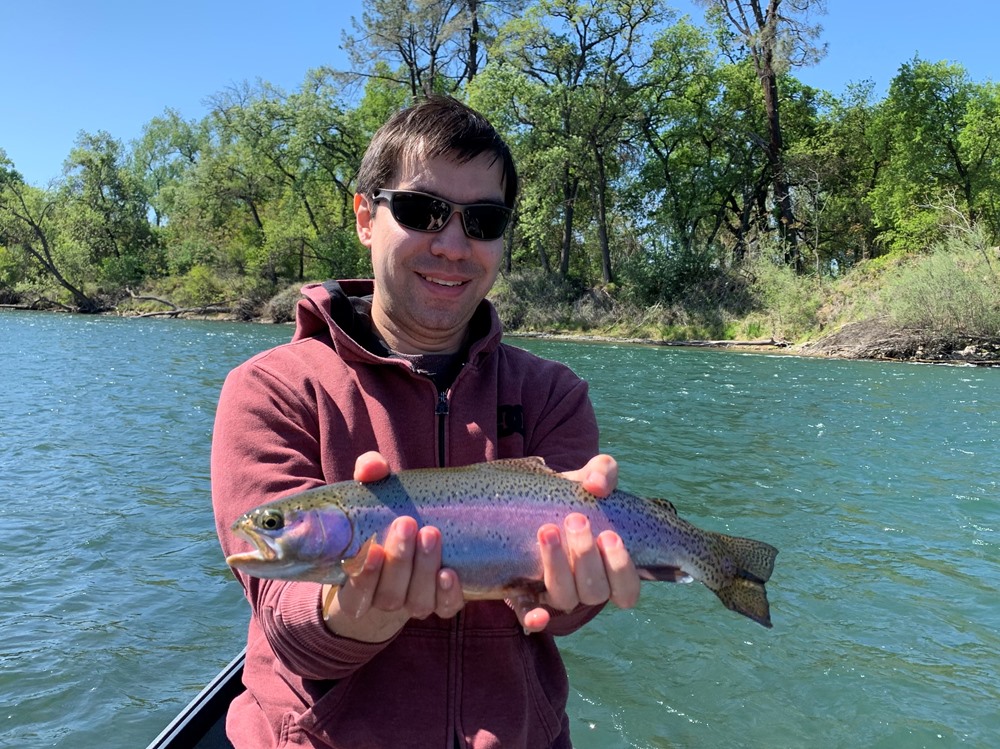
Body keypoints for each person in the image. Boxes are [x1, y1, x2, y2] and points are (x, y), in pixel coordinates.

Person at [212, 95, 641, 749]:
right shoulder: (271, 389)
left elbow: (560, 611)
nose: (451, 244)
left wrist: (573, 594)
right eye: (421, 210)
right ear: (364, 216)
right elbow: (283, 615)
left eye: (483, 220)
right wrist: (347, 610)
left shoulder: (553, 393)